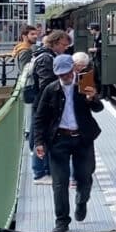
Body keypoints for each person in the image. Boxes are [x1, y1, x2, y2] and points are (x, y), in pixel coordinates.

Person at [32, 54, 102, 232]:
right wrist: (39, 142)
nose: (66, 77)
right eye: (62, 74)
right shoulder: (51, 90)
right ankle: (62, 221)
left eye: (68, 72)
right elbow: (40, 118)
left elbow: (98, 109)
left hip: (82, 139)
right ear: (57, 74)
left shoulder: (84, 83)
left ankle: (81, 200)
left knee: (85, 176)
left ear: (74, 69)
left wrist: (93, 98)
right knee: (59, 183)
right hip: (58, 140)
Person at [29, 30, 73, 184]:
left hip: (45, 103)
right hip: (44, 104)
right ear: (55, 42)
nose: (65, 48)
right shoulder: (46, 58)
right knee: (40, 137)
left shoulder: (47, 55)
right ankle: (39, 173)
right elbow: (46, 84)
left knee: (45, 137)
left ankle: (46, 170)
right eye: (63, 45)